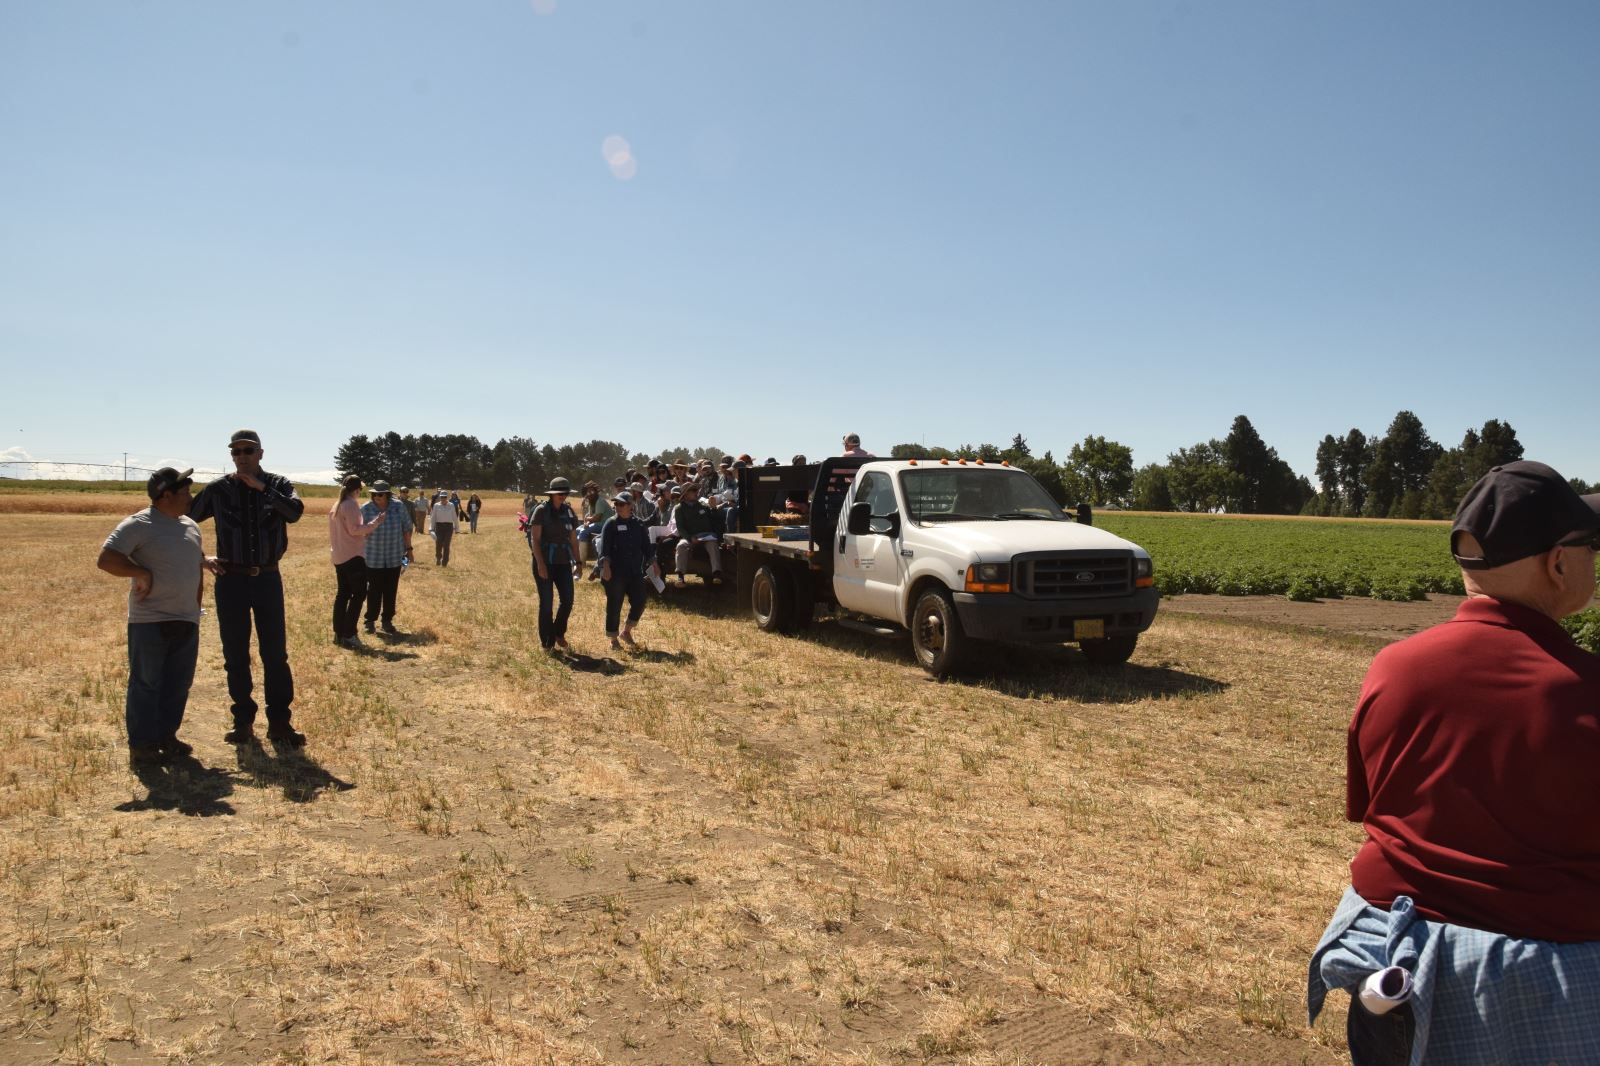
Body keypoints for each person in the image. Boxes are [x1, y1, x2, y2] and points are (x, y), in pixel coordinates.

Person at [1308, 461, 1600, 1064]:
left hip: (1392, 970)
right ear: (1558, 563)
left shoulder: (1395, 666)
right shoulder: (1585, 691)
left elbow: (1374, 808)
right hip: (1536, 991)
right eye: (1590, 546)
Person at [188, 429, 307, 747]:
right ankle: (243, 722)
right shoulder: (218, 490)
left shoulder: (279, 485)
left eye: (248, 451)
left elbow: (295, 513)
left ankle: (280, 724)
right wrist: (199, 557)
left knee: (275, 654)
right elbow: (182, 521)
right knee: (235, 655)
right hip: (231, 581)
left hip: (267, 579)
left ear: (260, 454)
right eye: (236, 451)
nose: (242, 456)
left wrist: (262, 488)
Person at [97, 467, 206, 766]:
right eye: (184, 492)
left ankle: (165, 736)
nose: (190, 497)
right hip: (150, 620)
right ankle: (142, 746)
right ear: (165, 495)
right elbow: (106, 559)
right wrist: (139, 571)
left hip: (186, 618)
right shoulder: (138, 524)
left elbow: (196, 566)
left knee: (178, 683)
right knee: (146, 683)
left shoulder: (191, 526)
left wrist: (196, 610)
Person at [328, 475, 386, 648]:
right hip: (353, 556)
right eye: (360, 490)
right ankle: (349, 633)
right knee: (359, 594)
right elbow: (355, 530)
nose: (360, 493)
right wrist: (376, 522)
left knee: (343, 594)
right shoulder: (351, 505)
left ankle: (339, 633)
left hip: (339, 556)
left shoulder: (336, 505)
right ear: (356, 490)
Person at [529, 477, 584, 652]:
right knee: (546, 603)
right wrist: (541, 564)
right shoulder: (540, 511)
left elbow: (574, 540)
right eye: (559, 493)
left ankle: (558, 633)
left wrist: (578, 562)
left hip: (563, 563)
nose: (563, 496)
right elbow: (535, 540)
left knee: (567, 600)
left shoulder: (568, 511)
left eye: (565, 493)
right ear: (552, 494)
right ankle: (547, 643)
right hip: (544, 562)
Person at [599, 491, 654, 649]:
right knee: (614, 605)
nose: (617, 506)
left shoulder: (639, 524)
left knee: (640, 601)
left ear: (631, 506)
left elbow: (646, 546)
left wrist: (653, 562)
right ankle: (613, 638)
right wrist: (606, 566)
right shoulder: (610, 524)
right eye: (616, 504)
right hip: (615, 572)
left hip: (635, 571)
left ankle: (627, 631)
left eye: (621, 504)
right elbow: (605, 549)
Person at [360, 481, 413, 635]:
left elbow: (407, 528)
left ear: (388, 494)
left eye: (380, 494)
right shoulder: (365, 508)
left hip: (394, 556)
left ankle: (387, 620)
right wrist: (366, 531)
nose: (377, 496)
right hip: (372, 557)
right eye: (374, 494)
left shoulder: (398, 507)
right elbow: (357, 531)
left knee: (390, 590)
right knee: (373, 590)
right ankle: (370, 621)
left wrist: (409, 549)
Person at [671, 481, 723, 586]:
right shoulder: (679, 509)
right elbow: (681, 528)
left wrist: (713, 508)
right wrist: (690, 538)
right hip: (691, 537)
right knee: (681, 545)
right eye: (693, 490)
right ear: (685, 494)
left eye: (696, 490)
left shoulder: (703, 505)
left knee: (713, 544)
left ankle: (717, 574)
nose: (696, 492)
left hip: (707, 536)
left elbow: (715, 520)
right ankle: (680, 577)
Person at [431, 490, 457, 566]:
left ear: (447, 497)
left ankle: (445, 562)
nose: (443, 498)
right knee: (438, 543)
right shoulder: (436, 505)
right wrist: (431, 529)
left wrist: (457, 527)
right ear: (440, 497)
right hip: (439, 526)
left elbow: (454, 517)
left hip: (449, 527)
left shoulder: (451, 505)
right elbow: (433, 518)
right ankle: (438, 558)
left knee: (446, 544)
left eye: (445, 497)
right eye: (442, 497)